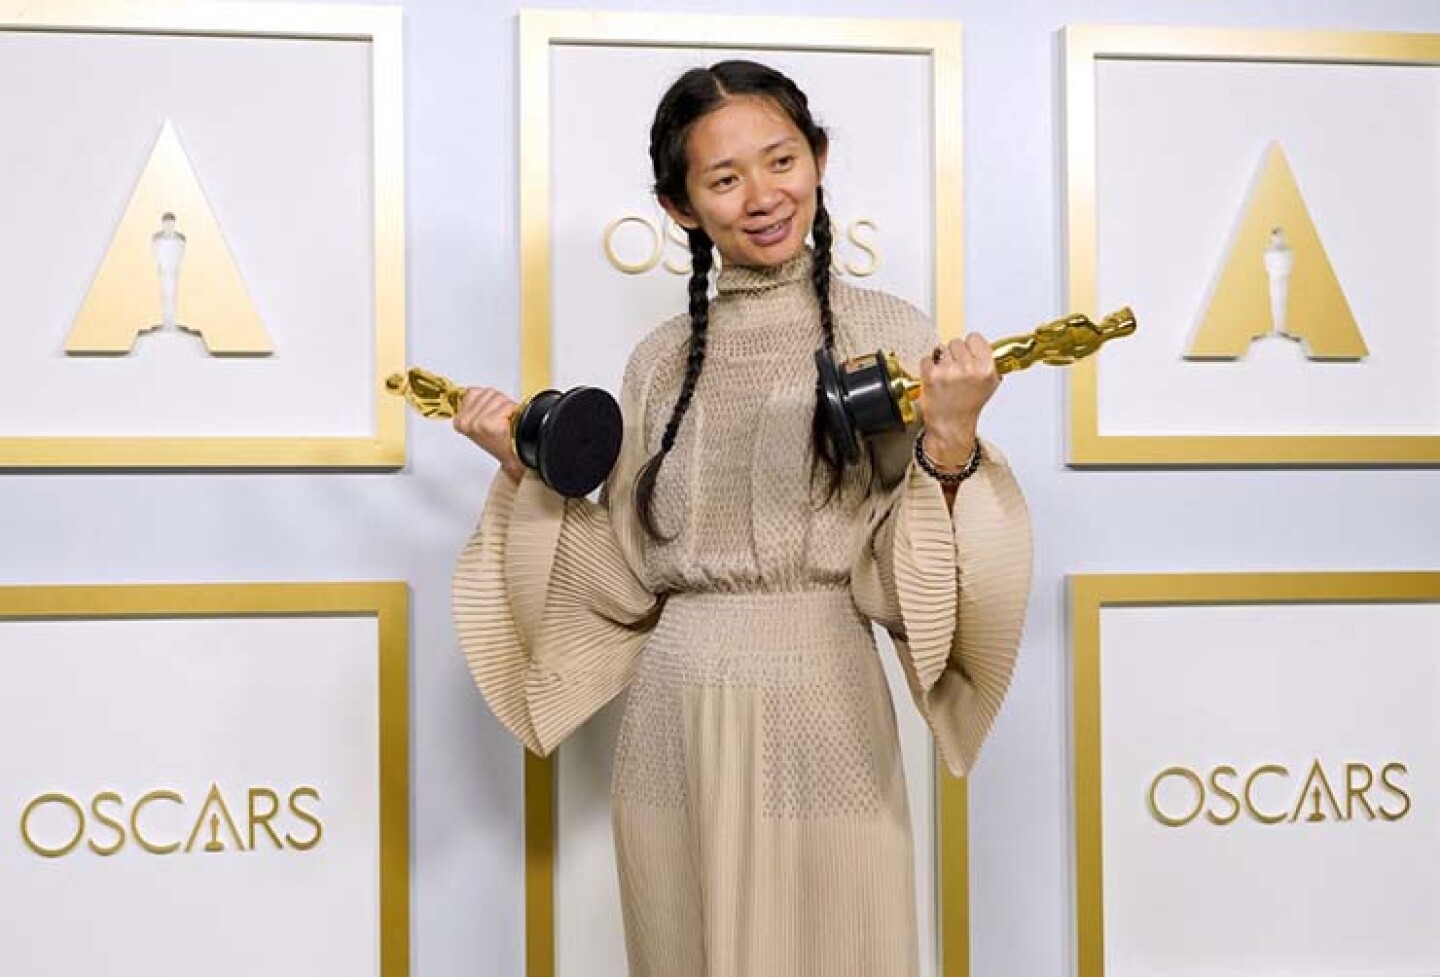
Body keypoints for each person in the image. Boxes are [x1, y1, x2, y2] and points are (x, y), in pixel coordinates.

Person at [451, 60, 1032, 977]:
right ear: (680, 206)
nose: (762, 196)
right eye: (724, 179)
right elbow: (622, 571)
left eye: (782, 161)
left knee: (843, 936)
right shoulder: (657, 360)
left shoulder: (887, 330)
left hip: (826, 698)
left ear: (819, 159)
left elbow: (906, 562)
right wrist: (525, 469)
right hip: (671, 721)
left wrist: (952, 435)